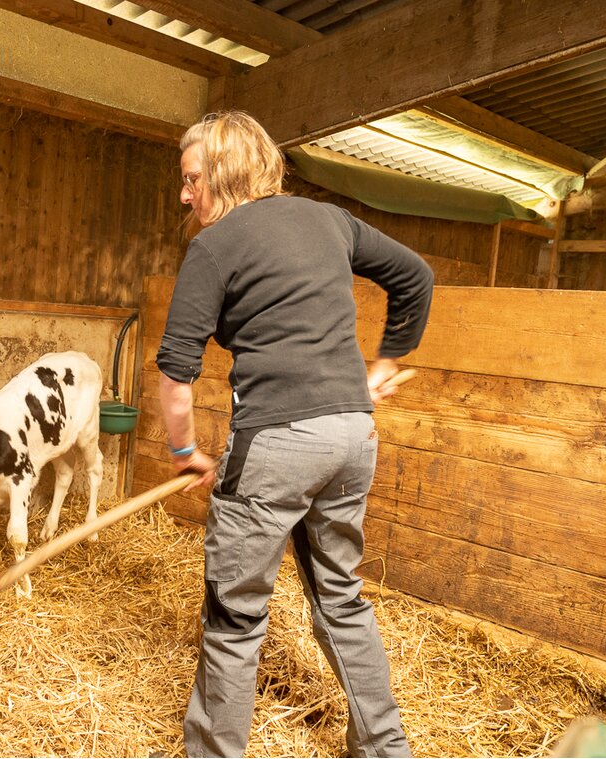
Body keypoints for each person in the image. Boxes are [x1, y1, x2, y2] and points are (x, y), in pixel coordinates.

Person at [156, 110, 433, 758]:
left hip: (275, 446)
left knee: (234, 619)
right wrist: (384, 363)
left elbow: (174, 375)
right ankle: (385, 749)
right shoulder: (327, 219)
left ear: (222, 174)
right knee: (342, 597)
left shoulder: (214, 246)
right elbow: (414, 275)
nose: (184, 193)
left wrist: (182, 451)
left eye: (192, 178)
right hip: (352, 436)